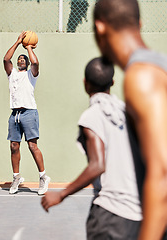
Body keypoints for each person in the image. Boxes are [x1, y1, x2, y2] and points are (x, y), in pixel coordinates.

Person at [41, 57, 142, 239]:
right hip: (139, 214)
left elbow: (97, 165)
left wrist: (61, 195)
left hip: (110, 215)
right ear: (112, 82)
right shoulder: (126, 112)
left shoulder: (92, 116)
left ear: (85, 84)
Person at [93, 0, 167, 239]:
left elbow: (163, 175)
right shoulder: (157, 68)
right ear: (140, 24)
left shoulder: (141, 76)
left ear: (100, 27)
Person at [3, 31, 50, 195]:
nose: (20, 60)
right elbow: (6, 59)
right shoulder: (12, 74)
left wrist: (29, 47)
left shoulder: (31, 74)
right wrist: (17, 42)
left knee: (32, 146)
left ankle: (43, 177)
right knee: (14, 146)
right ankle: (16, 177)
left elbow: (36, 63)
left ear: (27, 63)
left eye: (23, 59)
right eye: (19, 59)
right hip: (14, 114)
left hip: (29, 112)